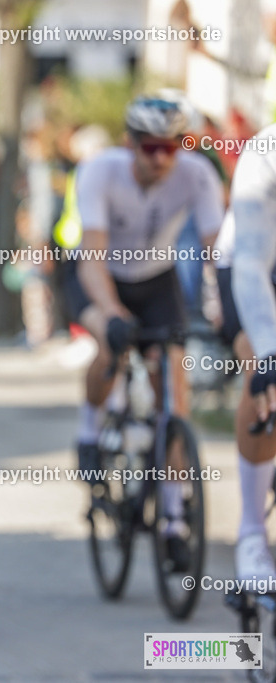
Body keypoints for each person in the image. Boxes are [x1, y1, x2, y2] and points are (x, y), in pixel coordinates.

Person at [72, 95, 224, 559]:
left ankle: (175, 519)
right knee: (110, 346)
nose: (160, 158)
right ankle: (90, 432)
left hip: (157, 281)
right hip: (101, 276)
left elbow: (219, 250)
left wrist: (227, 308)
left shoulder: (199, 174)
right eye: (150, 147)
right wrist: (114, 315)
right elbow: (92, 259)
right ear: (130, 143)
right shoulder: (101, 171)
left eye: (171, 148)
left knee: (173, 393)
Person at [216, 119, 276, 581]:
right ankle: (253, 533)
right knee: (261, 366)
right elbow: (253, 265)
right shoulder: (264, 154)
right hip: (249, 264)